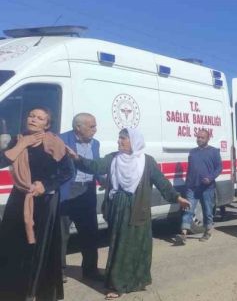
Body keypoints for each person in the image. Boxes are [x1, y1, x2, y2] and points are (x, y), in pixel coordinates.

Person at [67, 128, 190, 299]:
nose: (119, 141)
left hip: (139, 209)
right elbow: (96, 166)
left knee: (139, 246)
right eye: (119, 138)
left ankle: (137, 281)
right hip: (118, 209)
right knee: (120, 246)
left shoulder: (147, 161)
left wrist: (177, 197)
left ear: (134, 141)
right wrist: (77, 158)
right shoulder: (113, 158)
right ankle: (117, 285)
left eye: (123, 138)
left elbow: (162, 182)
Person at [0, 107, 74, 301]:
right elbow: (3, 160)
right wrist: (22, 144)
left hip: (44, 202)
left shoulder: (54, 142)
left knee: (39, 249)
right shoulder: (16, 140)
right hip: (19, 198)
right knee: (13, 245)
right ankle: (12, 291)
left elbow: (67, 171)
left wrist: (46, 185)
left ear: (46, 125)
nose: (33, 119)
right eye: (31, 116)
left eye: (40, 118)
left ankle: (37, 291)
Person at [59, 113, 102, 283]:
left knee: (90, 233)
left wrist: (103, 180)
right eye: (91, 126)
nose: (95, 130)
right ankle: (59, 271)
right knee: (61, 234)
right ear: (78, 127)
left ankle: (90, 271)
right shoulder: (61, 140)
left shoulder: (95, 144)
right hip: (67, 191)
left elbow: (95, 166)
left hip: (87, 191)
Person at [176, 129, 222, 245]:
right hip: (192, 187)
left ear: (208, 139)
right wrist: (187, 184)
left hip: (207, 187)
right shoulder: (192, 152)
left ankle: (208, 231)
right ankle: (183, 233)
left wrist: (210, 178)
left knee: (207, 211)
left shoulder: (214, 152)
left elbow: (219, 168)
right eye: (198, 137)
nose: (199, 139)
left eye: (202, 137)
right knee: (188, 209)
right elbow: (190, 169)